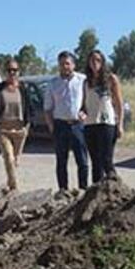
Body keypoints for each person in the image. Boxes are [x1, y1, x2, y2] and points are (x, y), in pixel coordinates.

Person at [0, 59, 33, 191]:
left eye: (15, 70)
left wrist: (27, 126)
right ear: (5, 72)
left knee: (15, 161)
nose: (12, 73)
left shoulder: (22, 89)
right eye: (9, 70)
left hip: (19, 130)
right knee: (9, 159)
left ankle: (9, 181)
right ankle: (14, 187)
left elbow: (29, 107)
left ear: (19, 72)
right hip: (3, 129)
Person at [43, 51, 89, 191]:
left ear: (73, 65)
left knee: (82, 161)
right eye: (62, 64)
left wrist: (85, 113)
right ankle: (63, 191)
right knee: (61, 162)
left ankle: (83, 190)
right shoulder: (53, 84)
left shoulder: (83, 80)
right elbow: (47, 108)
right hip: (60, 125)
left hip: (78, 125)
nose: (65, 67)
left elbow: (89, 101)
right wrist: (52, 127)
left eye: (67, 64)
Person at [81, 49, 124, 183]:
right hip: (90, 124)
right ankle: (96, 192)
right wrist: (81, 113)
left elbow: (118, 103)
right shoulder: (86, 82)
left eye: (98, 60)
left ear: (103, 62)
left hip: (106, 123)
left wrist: (120, 124)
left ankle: (116, 187)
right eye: (92, 60)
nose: (95, 63)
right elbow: (84, 104)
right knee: (95, 162)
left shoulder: (111, 79)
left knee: (106, 160)